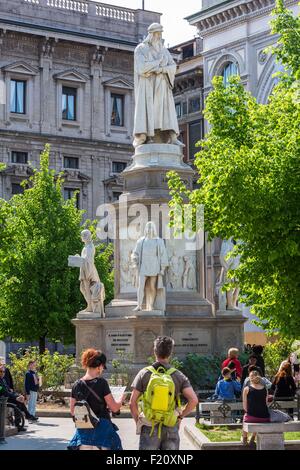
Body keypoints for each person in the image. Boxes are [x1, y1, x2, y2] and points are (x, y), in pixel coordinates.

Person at [130, 336, 198, 450]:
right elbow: (194, 400)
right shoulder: (178, 375)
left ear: (154, 351)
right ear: (170, 353)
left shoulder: (144, 373)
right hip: (170, 424)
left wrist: (138, 421)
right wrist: (180, 417)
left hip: (148, 424)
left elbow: (132, 403)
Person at [133, 23, 181, 148]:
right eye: (156, 33)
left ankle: (171, 136)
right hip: (148, 87)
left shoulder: (164, 50)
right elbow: (141, 68)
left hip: (163, 86)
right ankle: (149, 136)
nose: (159, 37)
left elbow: (173, 67)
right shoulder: (141, 49)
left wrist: (162, 69)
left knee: (166, 112)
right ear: (151, 34)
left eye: (160, 34)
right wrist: (157, 63)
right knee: (150, 112)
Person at [68, 349, 123, 450]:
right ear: (100, 366)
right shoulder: (102, 383)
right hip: (102, 431)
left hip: (83, 432)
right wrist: (121, 401)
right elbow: (114, 408)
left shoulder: (76, 385)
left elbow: (72, 411)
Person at [0, 365, 36, 429]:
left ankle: (20, 421)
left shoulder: (3, 380)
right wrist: (16, 397)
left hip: (7, 397)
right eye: (1, 372)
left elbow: (9, 391)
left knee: (19, 401)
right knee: (17, 402)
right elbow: (4, 392)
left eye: (3, 372)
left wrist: (18, 395)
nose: (2, 373)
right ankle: (26, 416)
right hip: (3, 398)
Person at [242, 370, 270, 445]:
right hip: (265, 417)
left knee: (245, 418)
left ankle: (244, 438)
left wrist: (249, 412)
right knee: (257, 417)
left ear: (250, 378)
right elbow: (266, 403)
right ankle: (253, 437)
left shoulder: (246, 389)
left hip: (252, 417)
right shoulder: (265, 389)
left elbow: (245, 406)